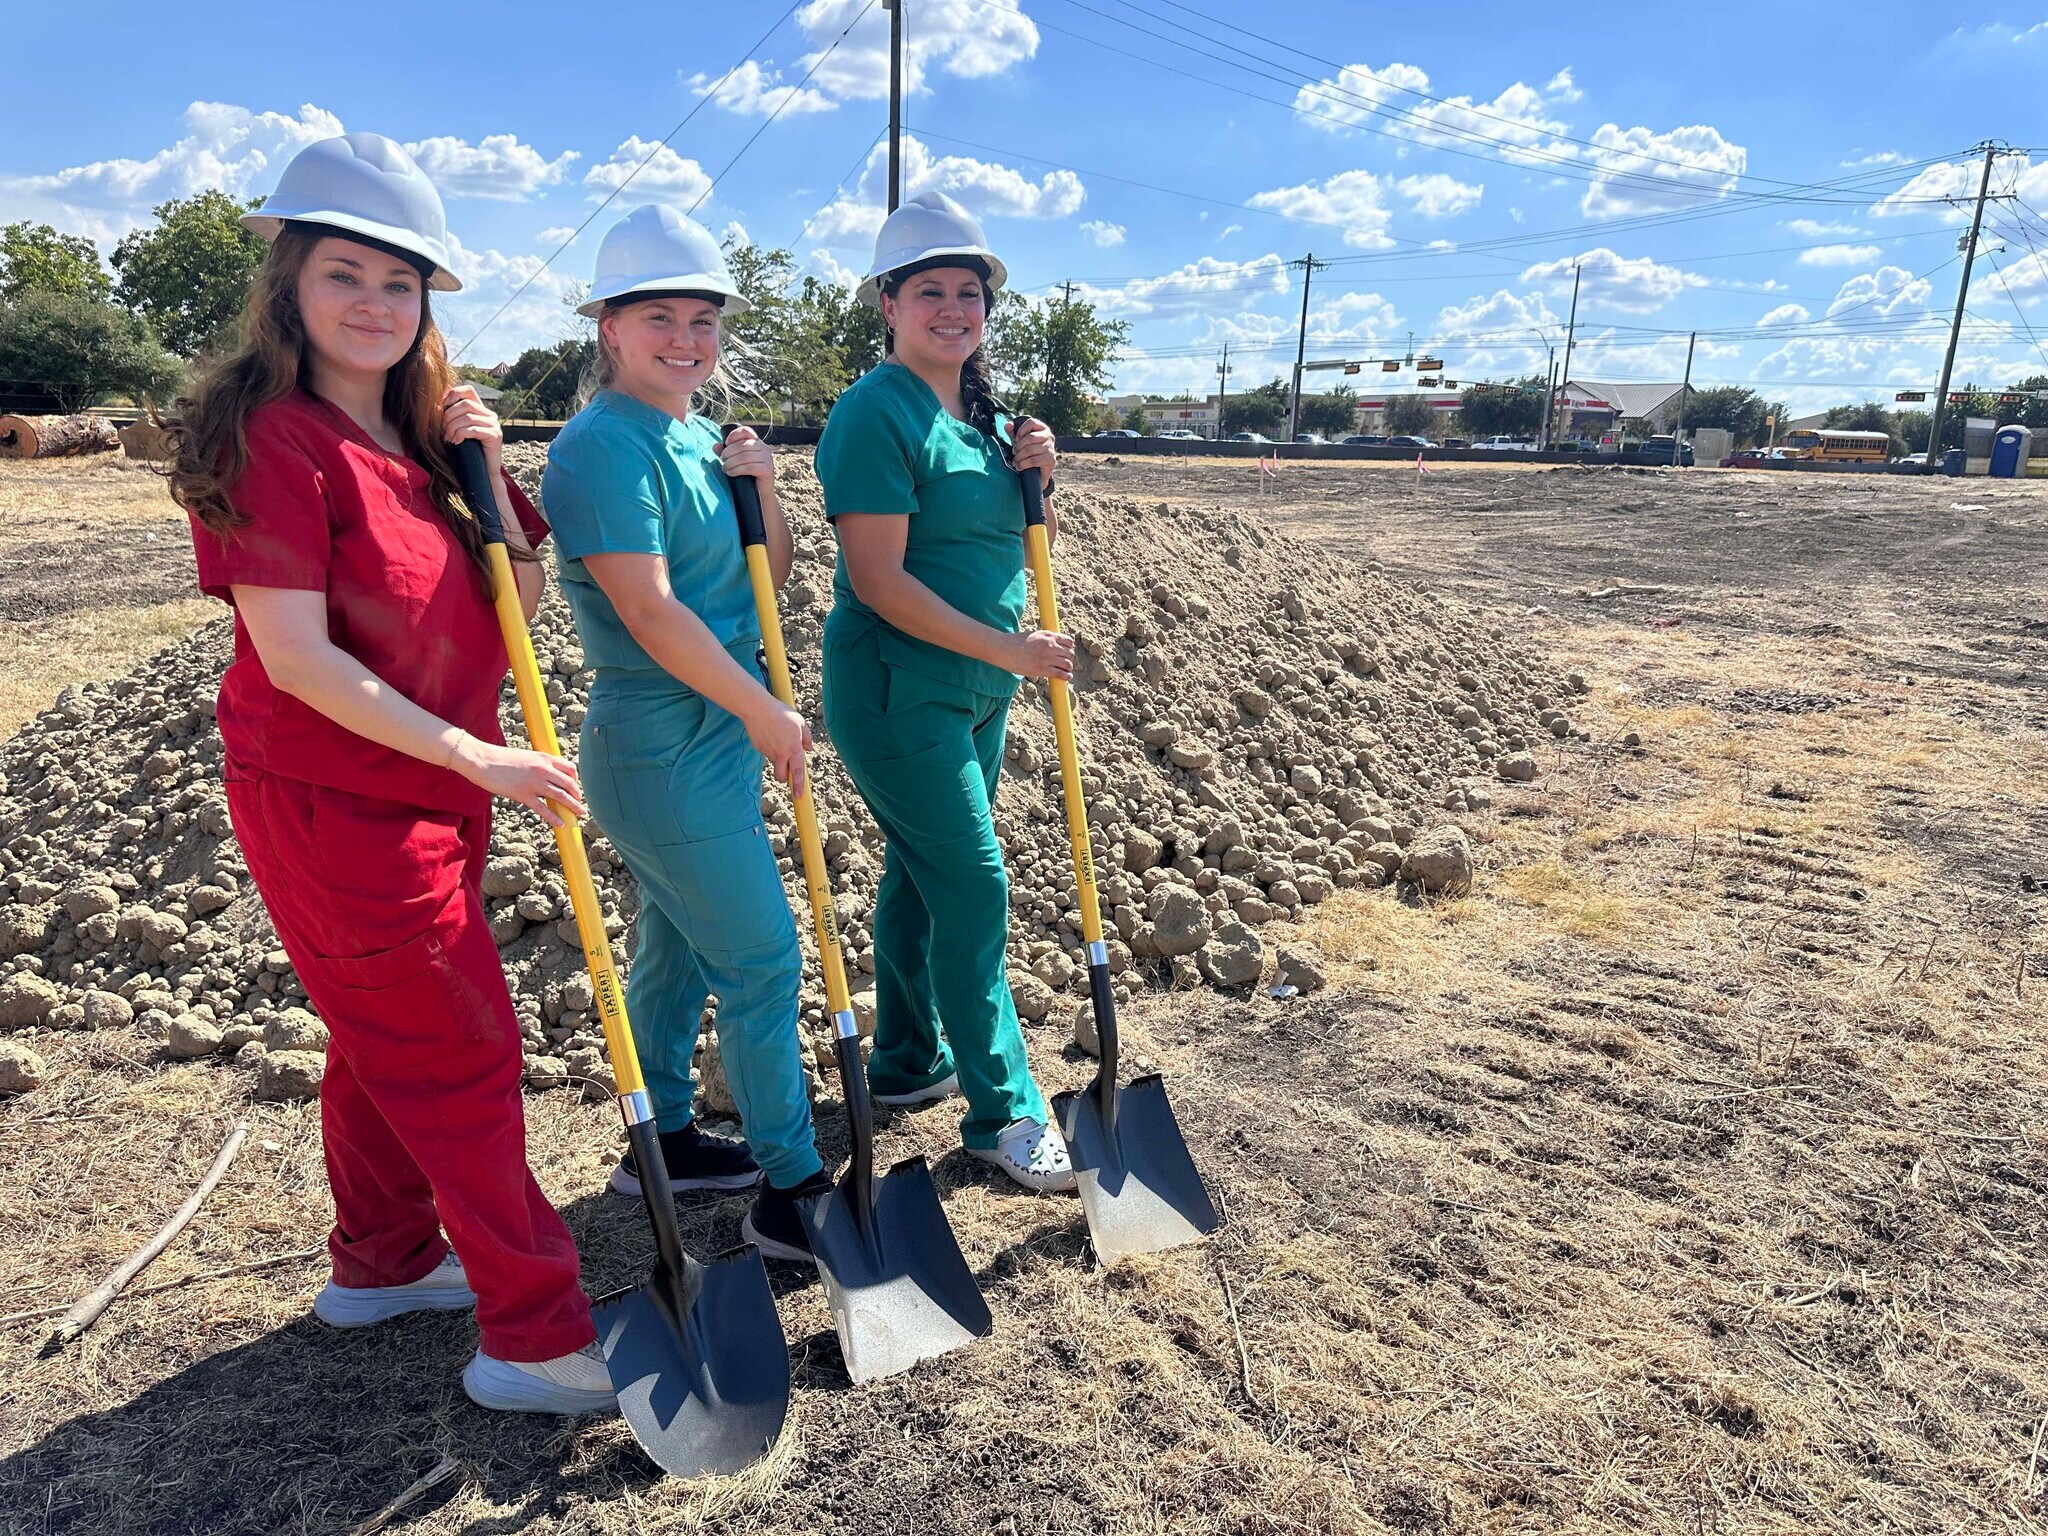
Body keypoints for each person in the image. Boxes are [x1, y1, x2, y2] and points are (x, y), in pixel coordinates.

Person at [169, 133, 614, 1415]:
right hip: (335, 796)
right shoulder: (276, 441)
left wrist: (481, 472)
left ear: (425, 305)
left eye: (397, 283)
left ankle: (381, 1261)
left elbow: (516, 596)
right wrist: (474, 752)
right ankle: (530, 1337)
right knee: (457, 1051)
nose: (372, 302)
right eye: (343, 273)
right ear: (290, 289)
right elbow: (297, 657)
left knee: (385, 1043)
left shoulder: (422, 443)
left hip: (431, 788)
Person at [541, 205, 828, 1260]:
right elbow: (653, 611)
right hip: (658, 743)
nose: (684, 338)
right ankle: (791, 1188)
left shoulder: (704, 437)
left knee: (672, 947)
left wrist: (764, 492)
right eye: (657, 315)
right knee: (759, 960)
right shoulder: (600, 448)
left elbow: (767, 579)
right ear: (608, 328)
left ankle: (659, 1137)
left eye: (702, 318)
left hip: (709, 735)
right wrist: (760, 709)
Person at [815, 191, 1076, 1193]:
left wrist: (1038, 481)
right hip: (897, 688)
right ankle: (1002, 1111)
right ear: (888, 301)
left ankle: (905, 1062)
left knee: (921, 883)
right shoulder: (873, 410)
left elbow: (1000, 539)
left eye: (969, 293)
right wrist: (1011, 655)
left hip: (974, 685)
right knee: (973, 884)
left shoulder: (984, 414)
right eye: (930, 291)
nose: (953, 309)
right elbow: (879, 580)